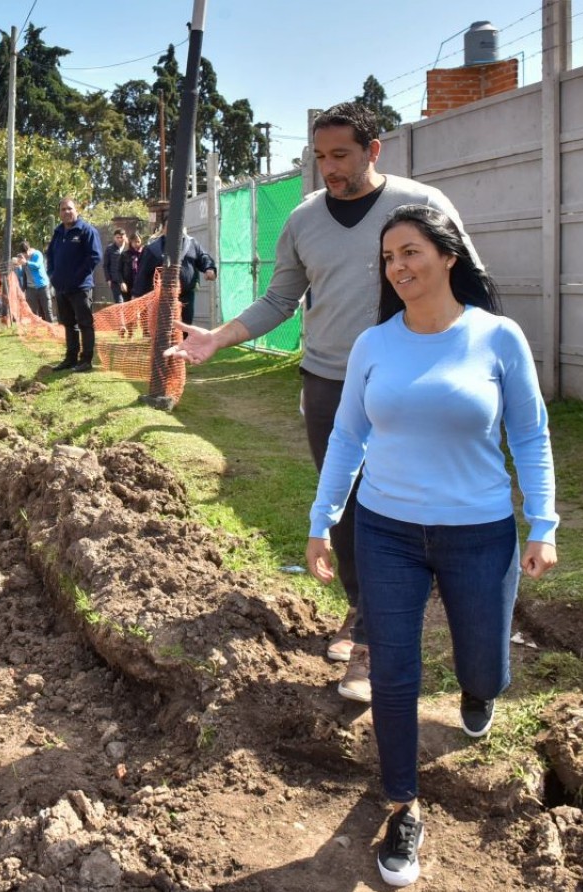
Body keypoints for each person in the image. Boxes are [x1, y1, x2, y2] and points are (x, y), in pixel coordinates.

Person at [164, 102, 478, 704]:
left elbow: (471, 285)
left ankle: (374, 645)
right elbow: (280, 299)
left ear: (373, 150)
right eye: (321, 157)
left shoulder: (422, 207)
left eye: (342, 155)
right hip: (330, 382)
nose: (330, 169)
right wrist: (217, 338)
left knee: (395, 507)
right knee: (352, 509)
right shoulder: (305, 220)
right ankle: (365, 612)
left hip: (412, 381)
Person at [305, 204, 557, 888]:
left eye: (410, 252)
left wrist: (543, 523)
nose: (398, 267)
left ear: (448, 255)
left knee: (484, 665)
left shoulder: (497, 338)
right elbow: (348, 438)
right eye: (389, 259)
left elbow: (529, 436)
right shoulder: (374, 345)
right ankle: (402, 806)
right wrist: (322, 519)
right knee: (393, 670)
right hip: (385, 530)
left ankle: (480, 692)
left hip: (479, 532)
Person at [45, 198, 102, 374]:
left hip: (80, 288)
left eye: (69, 209)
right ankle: (70, 359)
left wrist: (77, 278)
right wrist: (53, 276)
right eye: (63, 209)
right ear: (59, 213)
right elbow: (51, 256)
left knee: (85, 323)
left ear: (76, 210)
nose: (66, 212)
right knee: (69, 324)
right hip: (61, 288)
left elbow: (94, 257)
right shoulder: (58, 232)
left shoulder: (87, 231)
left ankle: (86, 360)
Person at [132, 229, 216, 326]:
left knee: (185, 327)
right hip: (162, 297)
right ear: (164, 230)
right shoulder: (153, 249)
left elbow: (203, 256)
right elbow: (142, 273)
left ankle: (184, 340)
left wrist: (209, 268)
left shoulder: (191, 244)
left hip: (186, 296)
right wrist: (137, 295)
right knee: (165, 330)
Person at [17, 240, 52, 322]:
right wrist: (18, 267)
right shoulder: (23, 258)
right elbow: (21, 274)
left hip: (42, 286)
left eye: (26, 253)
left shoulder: (37, 254)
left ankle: (52, 329)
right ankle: (37, 330)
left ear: (29, 249)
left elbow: (37, 265)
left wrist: (26, 262)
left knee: (47, 310)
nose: (26, 255)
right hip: (30, 289)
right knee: (33, 312)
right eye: (24, 254)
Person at [103, 228, 128, 303]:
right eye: (118, 237)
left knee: (128, 303)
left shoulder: (129, 248)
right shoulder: (110, 249)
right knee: (119, 303)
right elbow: (106, 265)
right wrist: (108, 279)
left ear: (125, 237)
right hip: (115, 281)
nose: (120, 239)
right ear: (114, 238)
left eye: (121, 237)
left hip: (127, 280)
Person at [119, 233, 146, 301]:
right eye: (134, 242)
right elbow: (119, 270)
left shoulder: (145, 254)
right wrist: (122, 282)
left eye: (138, 242)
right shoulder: (125, 255)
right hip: (128, 285)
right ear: (131, 242)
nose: (136, 244)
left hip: (141, 285)